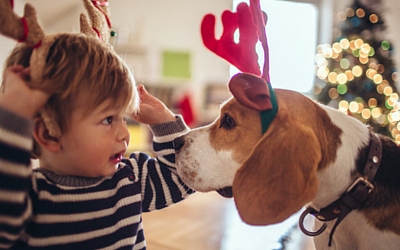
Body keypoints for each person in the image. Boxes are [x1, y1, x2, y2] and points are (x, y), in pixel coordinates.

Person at [0, 33, 194, 249]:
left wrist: (165, 122)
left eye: (124, 118)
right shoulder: (27, 200)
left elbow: (185, 177)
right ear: (50, 134)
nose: (125, 134)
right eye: (108, 119)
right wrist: (14, 117)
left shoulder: (129, 179)